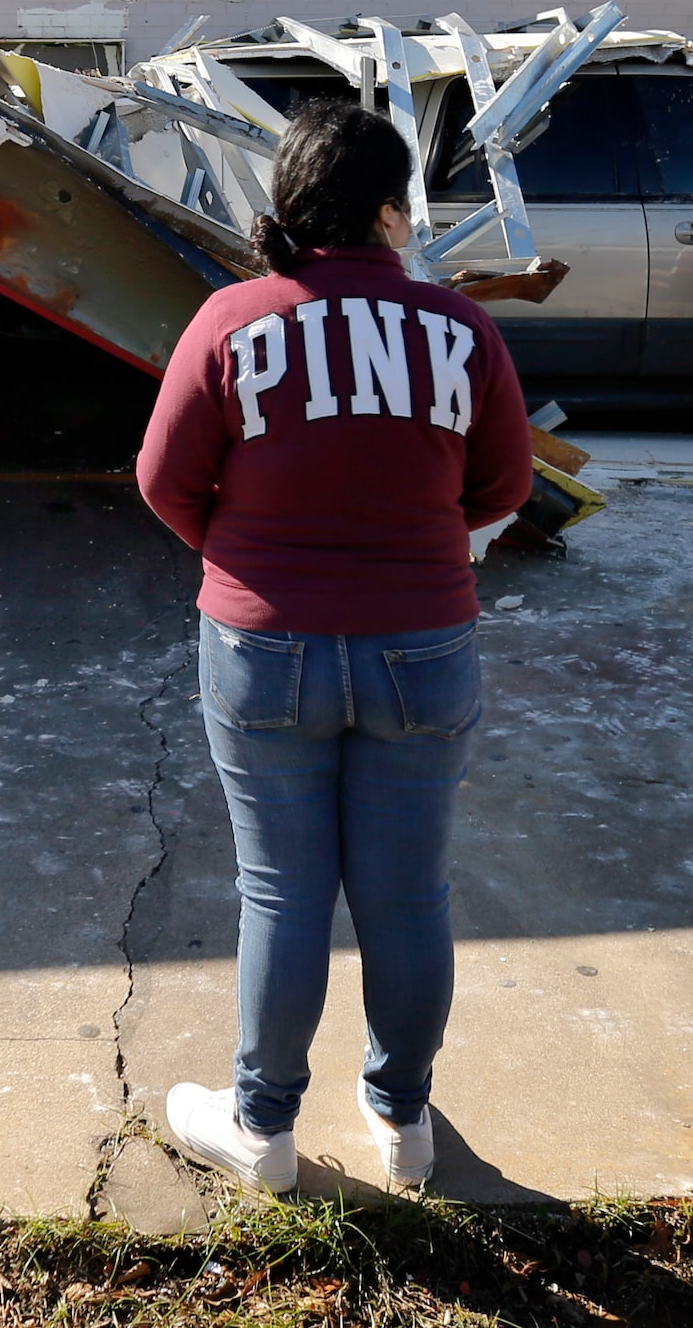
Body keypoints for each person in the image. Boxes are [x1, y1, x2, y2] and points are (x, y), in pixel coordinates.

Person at [134, 99, 533, 1194]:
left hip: (265, 650)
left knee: (282, 894)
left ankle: (260, 1127)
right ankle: (402, 1122)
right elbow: (505, 485)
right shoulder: (460, 329)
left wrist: (248, 562)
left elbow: (163, 482)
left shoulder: (230, 321)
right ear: (390, 211)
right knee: (408, 895)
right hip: (422, 646)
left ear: (288, 203)